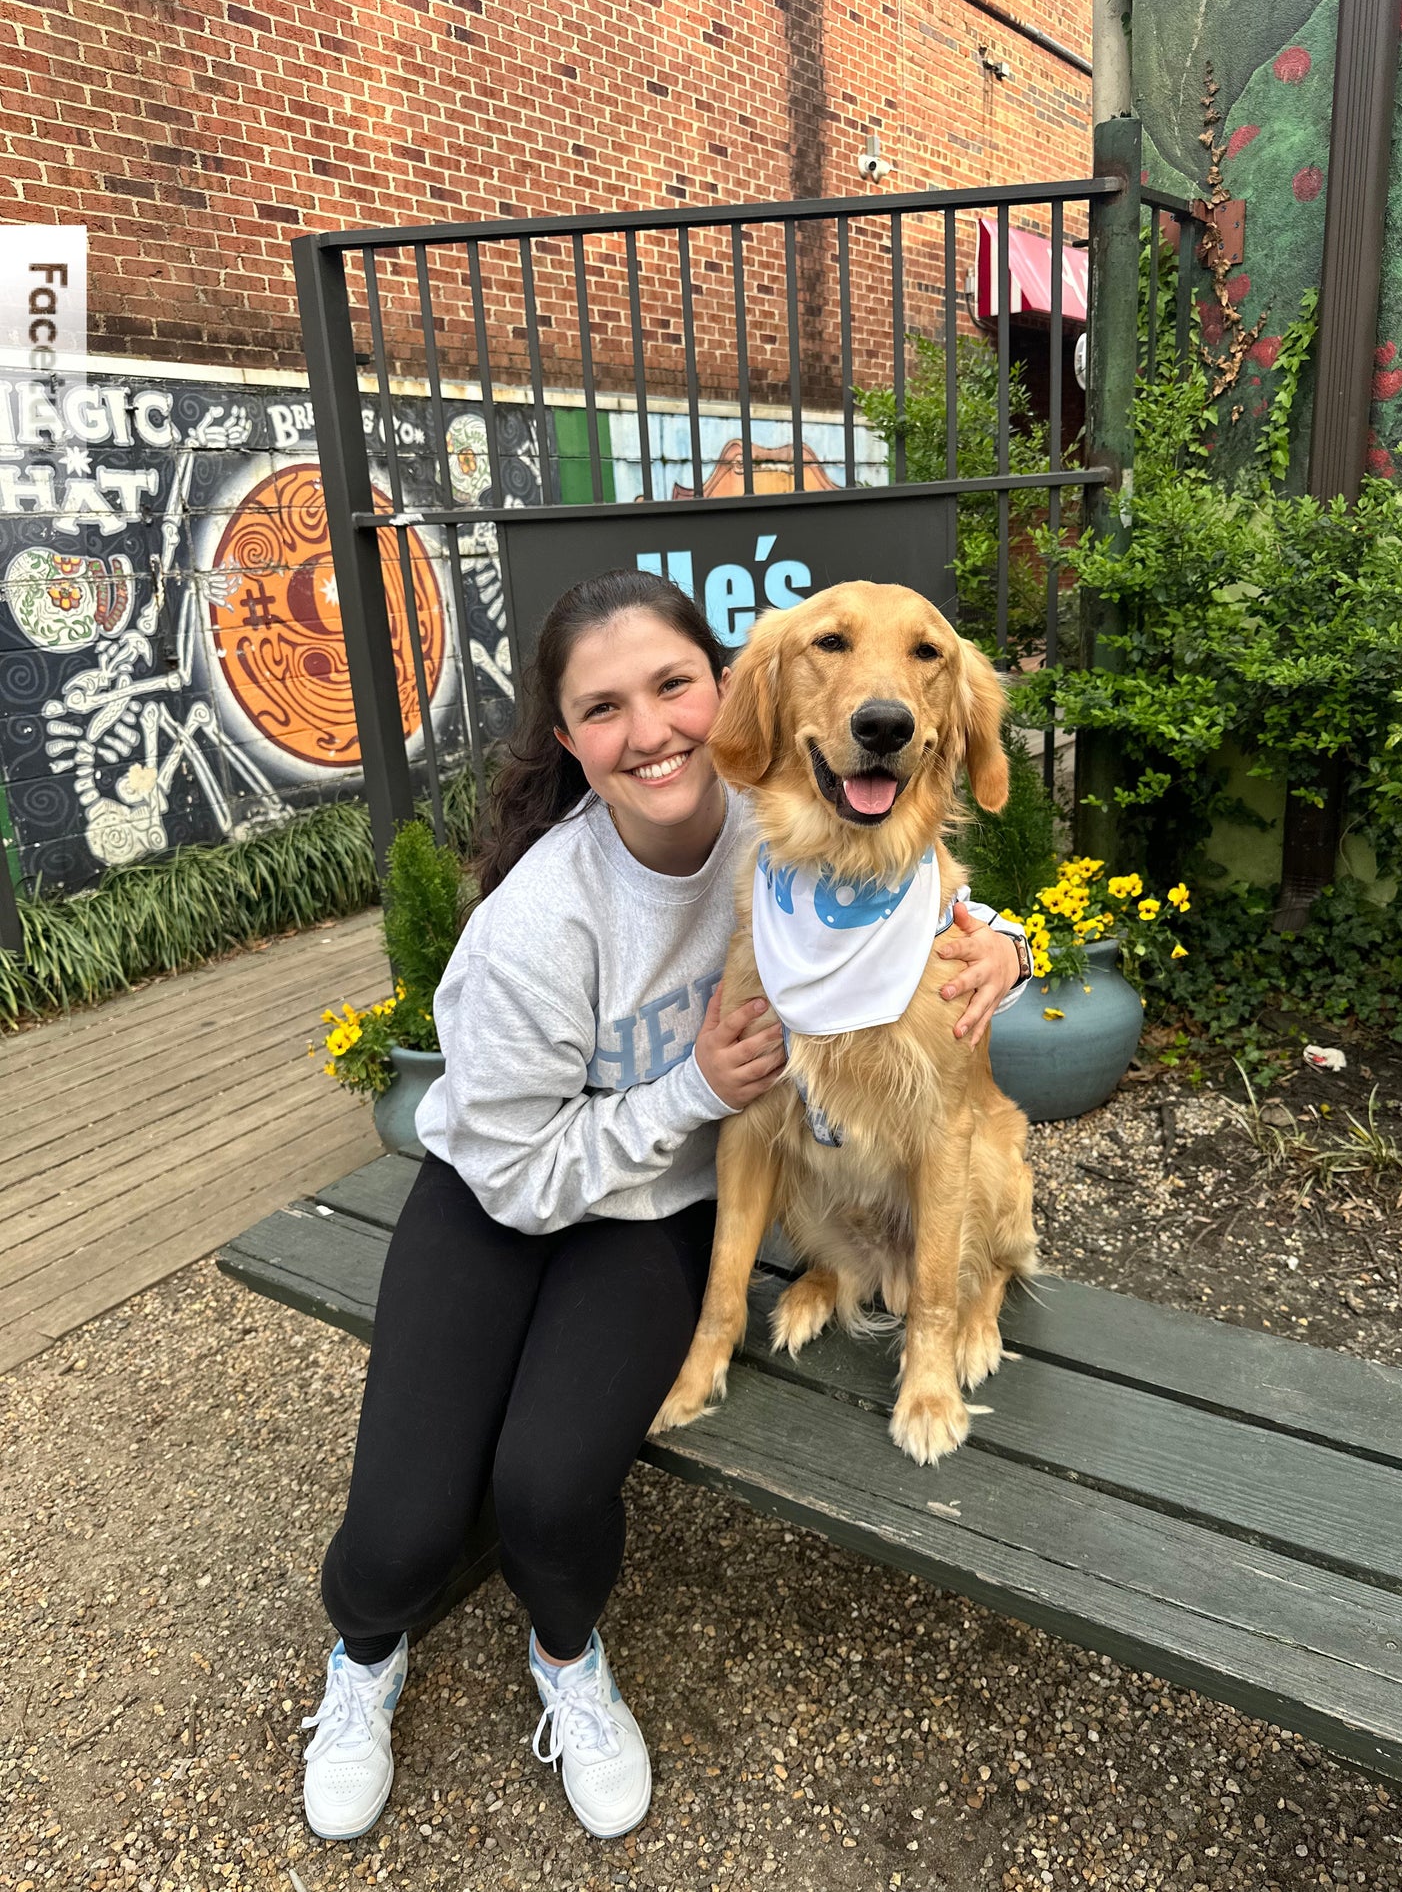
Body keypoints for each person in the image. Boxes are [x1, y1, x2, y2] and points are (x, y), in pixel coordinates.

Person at [299, 569, 1032, 1844]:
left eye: (670, 686)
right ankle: (363, 1656)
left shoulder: (786, 820)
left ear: (724, 696)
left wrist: (1006, 945)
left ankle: (566, 1657)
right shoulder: (540, 923)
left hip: (643, 1211)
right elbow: (520, 1168)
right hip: (500, 1192)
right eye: (602, 709)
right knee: (404, 1527)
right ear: (569, 739)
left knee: (542, 1484)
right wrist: (689, 1085)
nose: (650, 731)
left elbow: (916, 883)